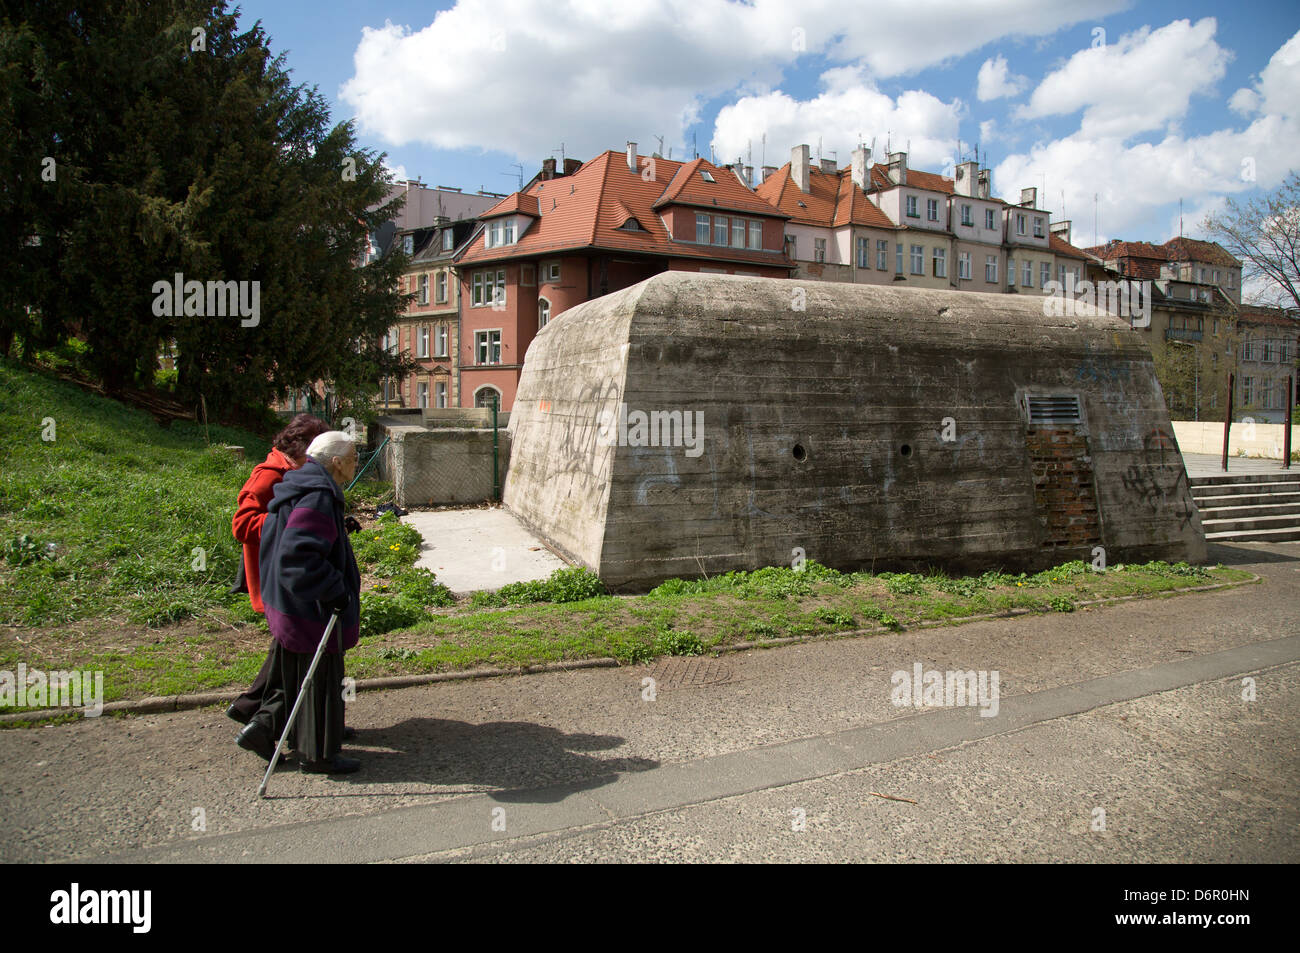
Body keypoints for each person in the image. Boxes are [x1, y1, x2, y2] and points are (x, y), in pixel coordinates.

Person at [236, 431, 362, 774]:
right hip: (310, 607)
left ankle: (269, 730)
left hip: (288, 601)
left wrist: (338, 528)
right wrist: (335, 590)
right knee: (320, 678)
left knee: (298, 673)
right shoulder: (318, 495)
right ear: (335, 462)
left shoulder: (301, 481)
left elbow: (295, 535)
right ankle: (318, 755)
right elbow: (300, 555)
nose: (355, 463)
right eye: (352, 457)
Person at [226, 413, 330, 727]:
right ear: (301, 450)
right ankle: (263, 716)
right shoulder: (269, 474)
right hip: (277, 573)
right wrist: (292, 525)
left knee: (289, 645)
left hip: (291, 569)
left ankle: (254, 708)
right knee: (292, 645)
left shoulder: (291, 470)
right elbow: (241, 525)